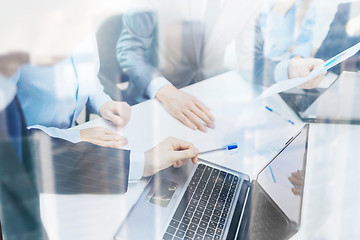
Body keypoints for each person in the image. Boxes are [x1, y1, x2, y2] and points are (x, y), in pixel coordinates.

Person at [0, 1, 200, 239]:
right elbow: (21, 146)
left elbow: (88, 79)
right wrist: (75, 136)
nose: (86, 30)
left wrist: (103, 103)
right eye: (79, 19)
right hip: (51, 136)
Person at [116, 0, 325, 133]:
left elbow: (252, 61)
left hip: (204, 105)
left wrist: (292, 69)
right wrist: (166, 92)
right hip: (150, 101)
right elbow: (130, 49)